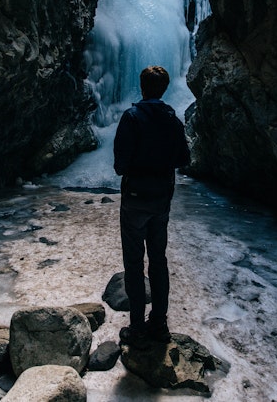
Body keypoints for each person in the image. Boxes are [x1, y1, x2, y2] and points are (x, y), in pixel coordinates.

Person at [113, 65, 190, 349]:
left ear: (142, 87)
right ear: (164, 88)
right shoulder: (172, 120)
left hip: (134, 199)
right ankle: (159, 322)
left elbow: (120, 165)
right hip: (161, 200)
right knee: (158, 260)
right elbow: (184, 158)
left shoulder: (131, 118)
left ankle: (136, 326)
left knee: (134, 263)